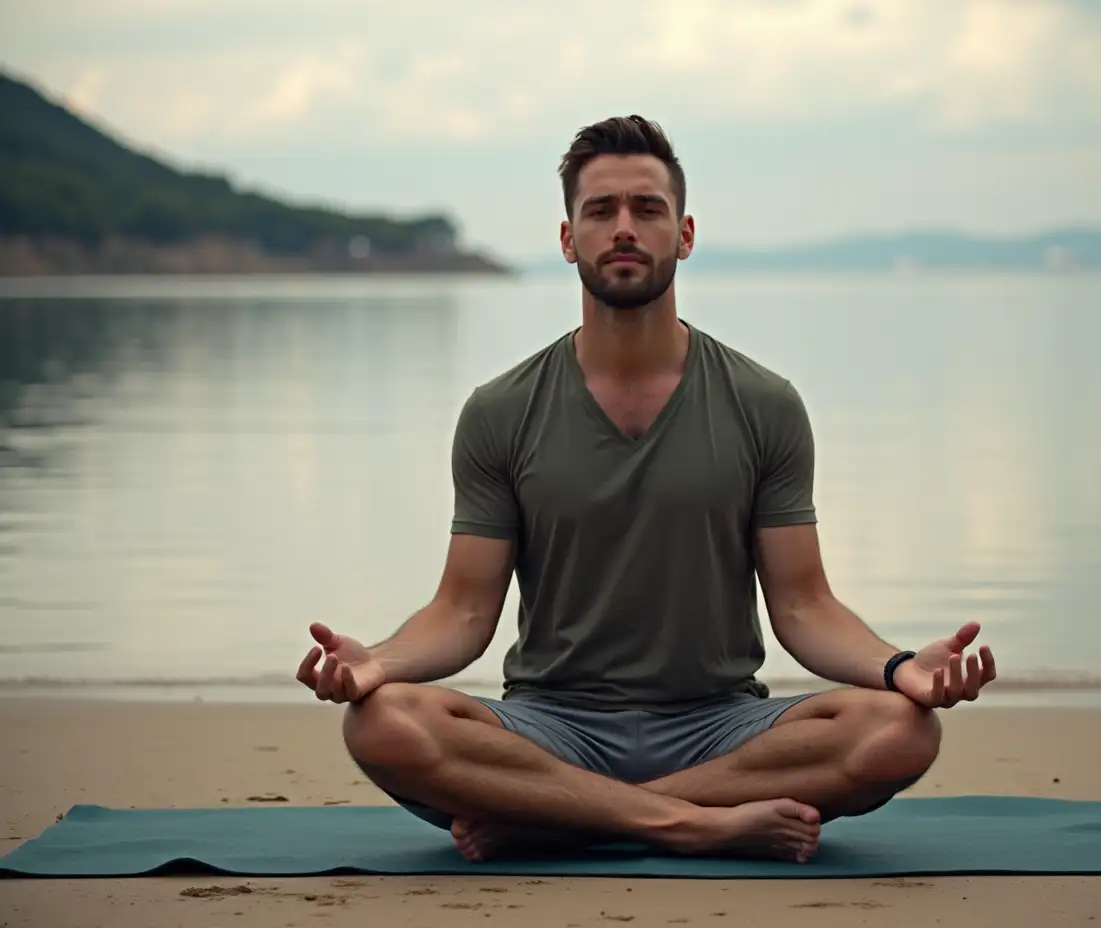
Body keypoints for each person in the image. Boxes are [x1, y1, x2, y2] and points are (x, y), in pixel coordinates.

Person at [296, 115, 996, 864]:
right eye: (600, 211)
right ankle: (693, 823)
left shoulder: (765, 404)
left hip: (720, 727)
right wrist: (380, 665)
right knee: (379, 722)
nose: (623, 228)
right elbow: (464, 610)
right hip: (552, 728)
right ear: (568, 239)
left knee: (901, 729)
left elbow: (803, 605)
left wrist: (900, 669)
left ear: (684, 234)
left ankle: (559, 818)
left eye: (647, 209)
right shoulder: (500, 411)